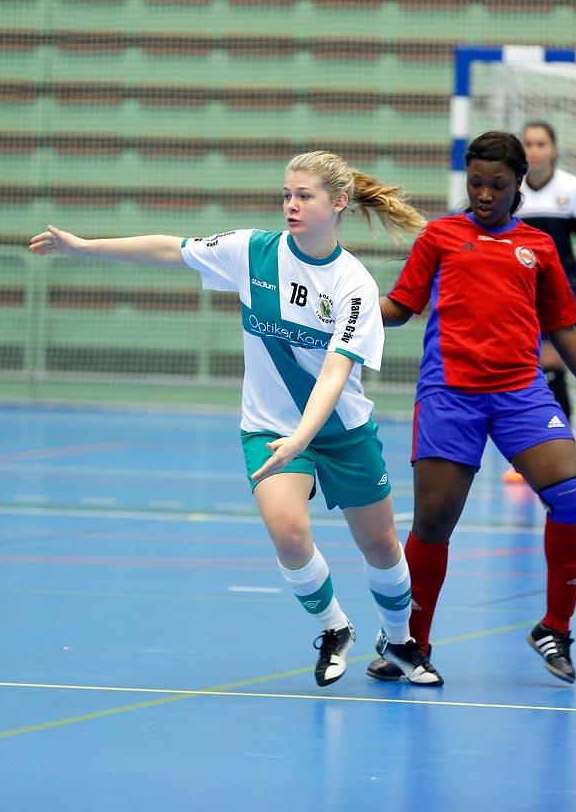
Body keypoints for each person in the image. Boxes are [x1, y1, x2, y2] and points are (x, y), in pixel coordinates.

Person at [29, 151, 445, 687]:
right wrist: (84, 247)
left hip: (338, 429)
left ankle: (402, 639)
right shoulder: (252, 251)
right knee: (289, 534)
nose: (291, 205)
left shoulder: (354, 286)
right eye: (287, 195)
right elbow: (169, 248)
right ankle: (334, 628)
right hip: (270, 427)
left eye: (305, 196)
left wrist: (304, 436)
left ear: (338, 203)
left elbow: (337, 372)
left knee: (382, 545)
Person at [366, 130, 576, 686]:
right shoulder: (441, 236)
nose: (485, 194)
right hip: (449, 394)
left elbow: (563, 330)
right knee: (434, 524)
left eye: (497, 185)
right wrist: (345, 312)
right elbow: (400, 307)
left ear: (519, 184)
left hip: (521, 392)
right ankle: (409, 642)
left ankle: (554, 628)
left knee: (571, 496)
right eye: (476, 184)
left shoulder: (538, 247)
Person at [500, 120, 576, 484]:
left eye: (541, 143)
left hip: (560, 290)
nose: (534, 150)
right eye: (527, 143)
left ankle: (559, 453)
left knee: (553, 367)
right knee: (520, 372)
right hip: (518, 291)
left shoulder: (573, 189)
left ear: (554, 149)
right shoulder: (512, 191)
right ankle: (528, 456)